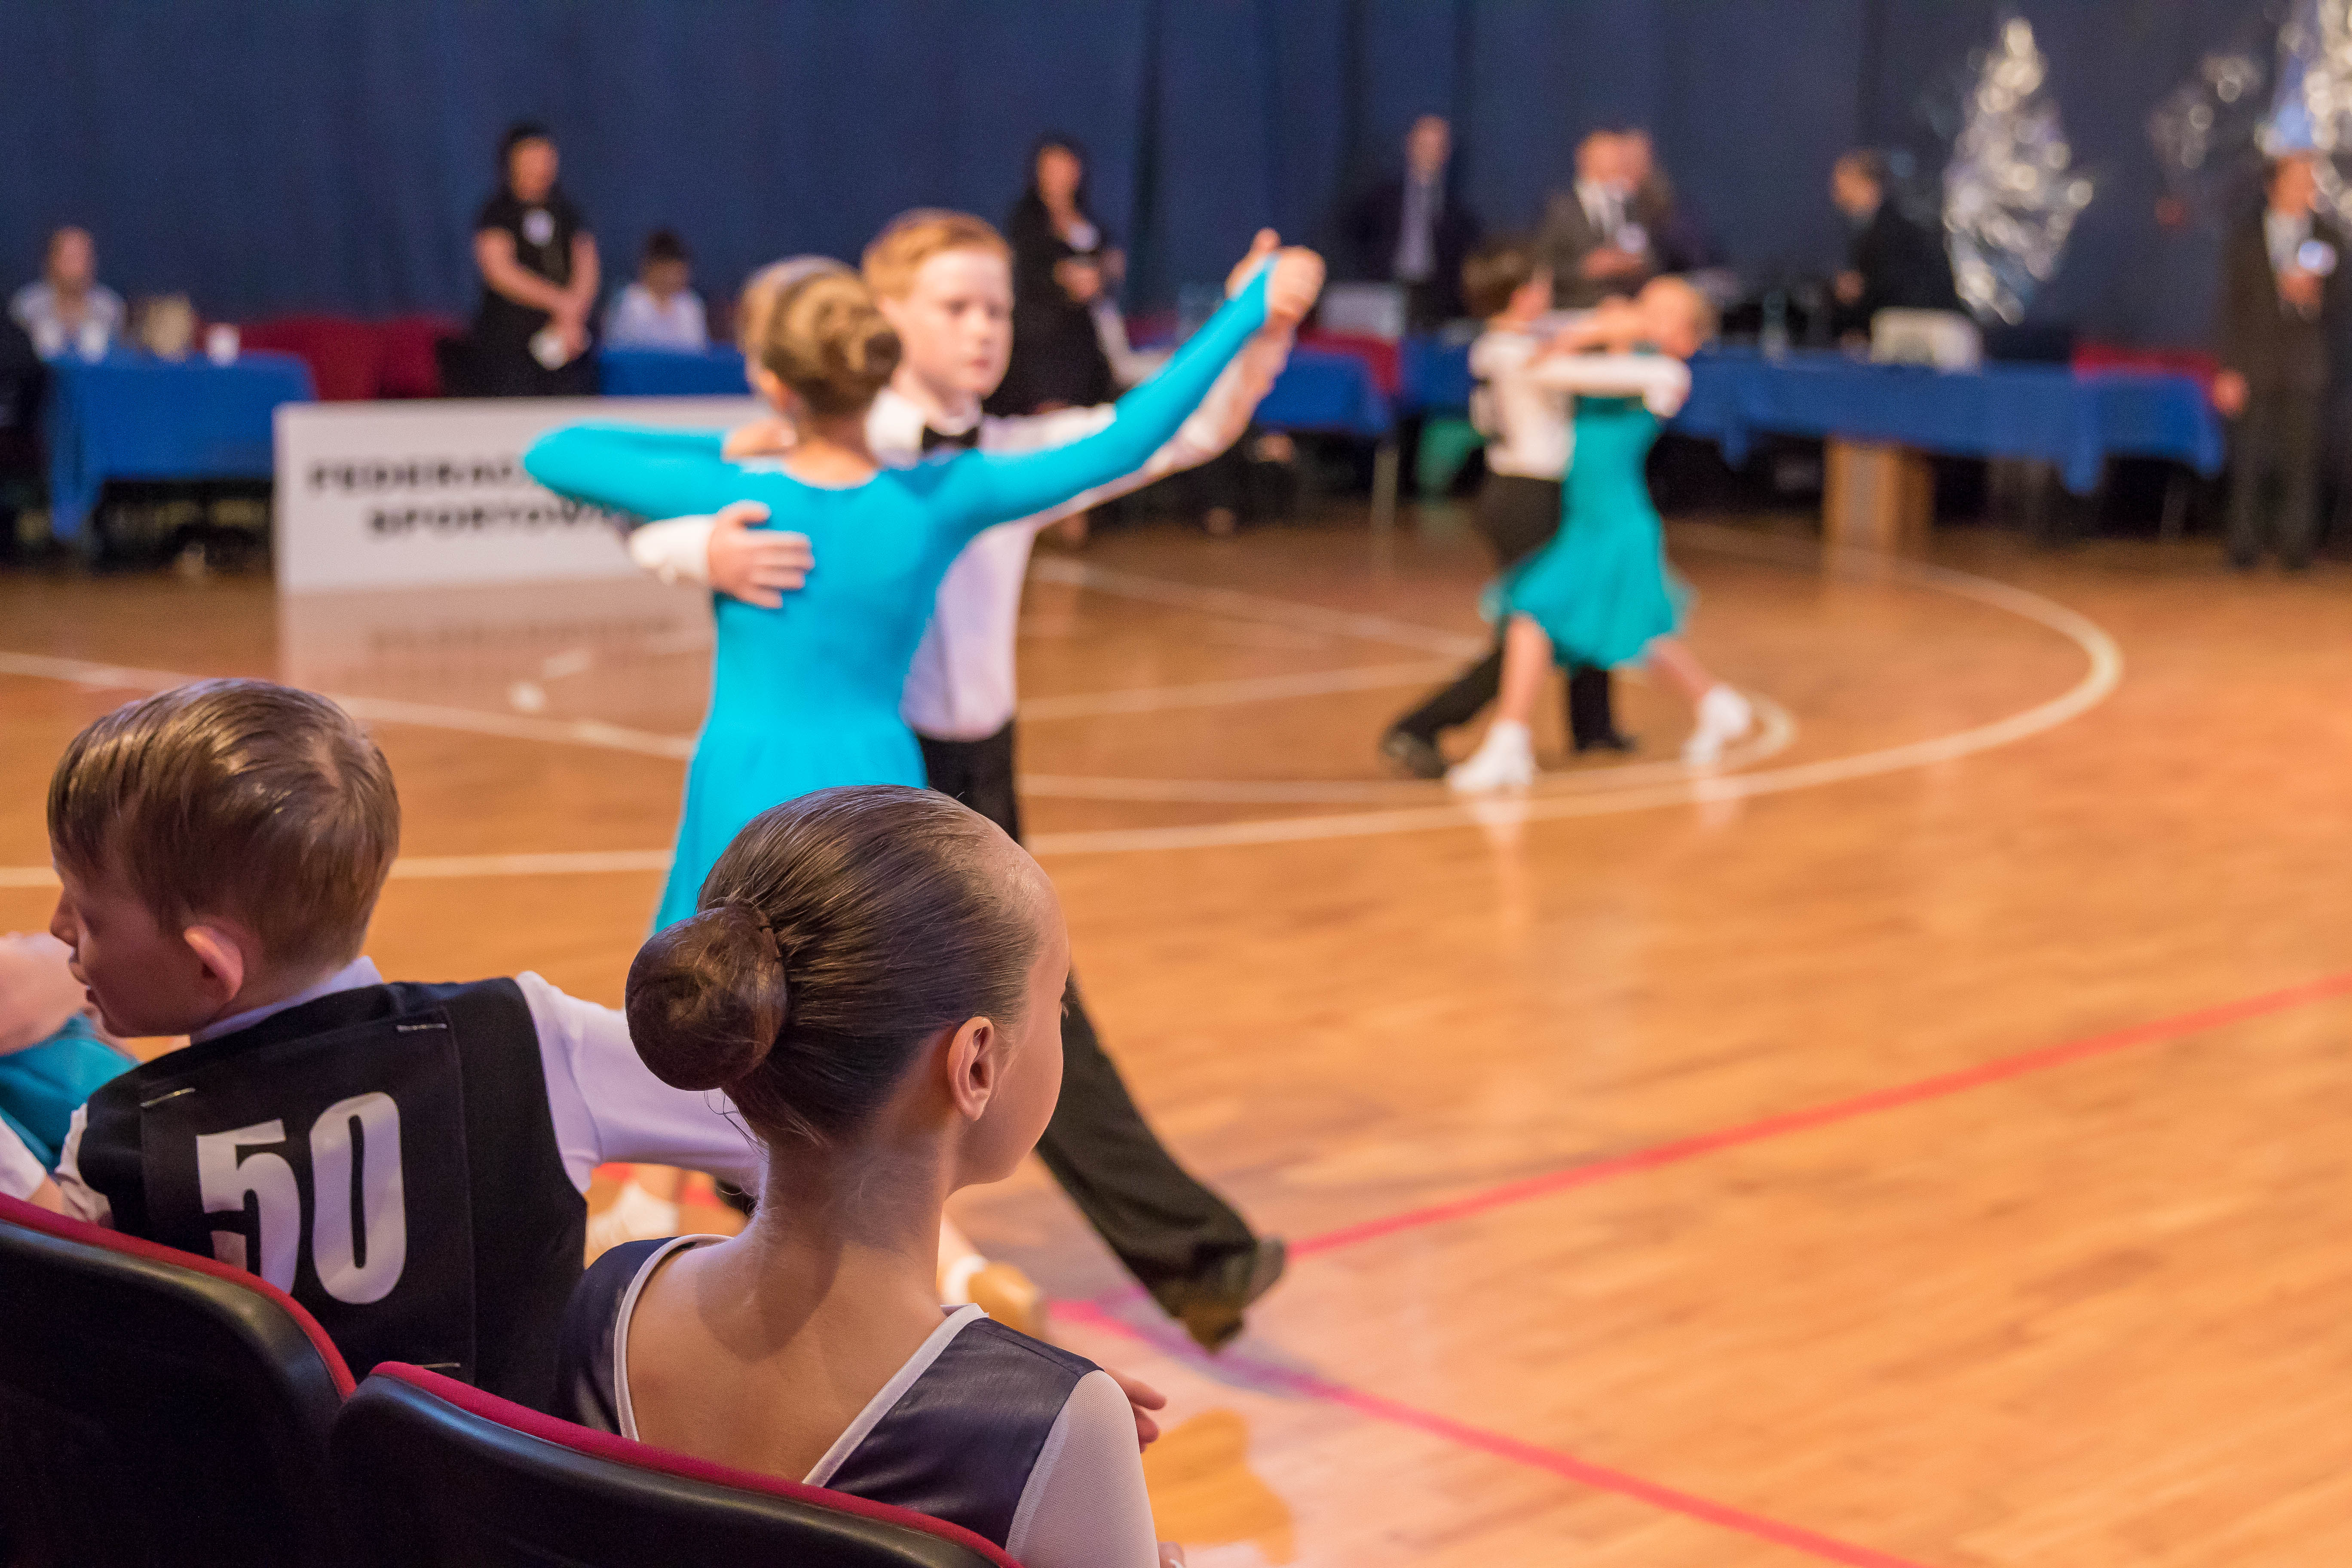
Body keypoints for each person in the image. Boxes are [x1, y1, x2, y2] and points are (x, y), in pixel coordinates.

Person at [625, 212, 1305, 1347]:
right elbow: (669, 504)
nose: (986, 329)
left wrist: (1261, 328)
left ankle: (785, 1213)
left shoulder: (1007, 456)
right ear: (881, 318)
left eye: (999, 308)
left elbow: (1175, 433)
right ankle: (1182, 1259)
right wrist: (687, 549)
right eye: (956, 307)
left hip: (982, 770)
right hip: (880, 772)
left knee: (1005, 1016)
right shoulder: (830, 447)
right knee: (977, 1021)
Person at [524, 250, 1319, 935]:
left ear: (773, 381)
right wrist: (1247, 308)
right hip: (877, 780)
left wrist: (727, 444)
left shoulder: (737, 493)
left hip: (741, 775)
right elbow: (1127, 441)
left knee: (717, 1003)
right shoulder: (939, 497)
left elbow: (556, 451)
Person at [39, 680, 768, 1410]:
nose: (58, 926)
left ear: (211, 966)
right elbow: (776, 1126)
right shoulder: (527, 1040)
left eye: (89, 913)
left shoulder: (114, 1143)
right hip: (518, 1485)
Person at [557, 786, 1169, 1568]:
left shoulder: (609, 1304)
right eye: (1058, 1002)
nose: (1063, 1021)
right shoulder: (1052, 1427)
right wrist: (1049, 1420)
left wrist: (1022, 1393)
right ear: (977, 1064)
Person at [1447, 279, 1754, 790]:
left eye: (1663, 312)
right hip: (1588, 517)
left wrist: (1598, 329)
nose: (1645, 314)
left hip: (1616, 521)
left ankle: (1509, 742)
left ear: (1687, 339)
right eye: (1645, 303)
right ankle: (1715, 703)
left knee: (1533, 611)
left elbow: (1553, 365)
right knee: (1634, 629)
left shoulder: (1663, 374)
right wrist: (1605, 331)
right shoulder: (1620, 359)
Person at [1382, 238, 1627, 779]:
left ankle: (1594, 725)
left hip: (1535, 492)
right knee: (1529, 628)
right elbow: (1579, 371)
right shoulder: (1509, 351)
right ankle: (1418, 727)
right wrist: (1619, 334)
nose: (1548, 293)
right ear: (1521, 295)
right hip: (1525, 497)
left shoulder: (1512, 343)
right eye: (1540, 284)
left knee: (1578, 603)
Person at [2212, 151, 2342, 571]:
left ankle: (2296, 549)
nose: (2308, 188)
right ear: (2275, 185)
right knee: (2249, 459)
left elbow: (2342, 299)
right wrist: (2228, 370)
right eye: (2299, 179)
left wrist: (2315, 296)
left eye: (2311, 180)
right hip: (2254, 364)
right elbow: (2230, 307)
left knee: (2301, 462)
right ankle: (2243, 546)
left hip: (2305, 364)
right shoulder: (2247, 237)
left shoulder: (2327, 237)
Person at [456, 122, 601, 397]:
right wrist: (558, 301)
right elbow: (500, 272)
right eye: (531, 156)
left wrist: (573, 312)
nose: (540, 165)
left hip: (568, 337)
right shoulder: (497, 213)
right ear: (512, 160)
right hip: (512, 344)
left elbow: (587, 263)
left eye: (547, 156)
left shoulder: (568, 212)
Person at [991, 134, 1121, 418]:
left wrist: (1103, 273)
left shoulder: (1090, 219)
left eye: (1066, 167)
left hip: (1087, 340)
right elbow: (1031, 272)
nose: (1060, 175)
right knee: (1052, 416)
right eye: (1052, 168)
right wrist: (1065, 278)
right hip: (1043, 343)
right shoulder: (1027, 220)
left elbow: (1107, 267)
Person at [1343, 114, 1482, 328]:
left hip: (1436, 300)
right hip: (1386, 289)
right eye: (1424, 144)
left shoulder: (1457, 211)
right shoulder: (1382, 198)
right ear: (1409, 145)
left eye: (1437, 146)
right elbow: (1354, 237)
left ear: (1446, 152)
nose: (1429, 152)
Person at [1829, 150, 1960, 336]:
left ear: (1868, 184)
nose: (1837, 196)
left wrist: (1861, 290)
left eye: (1843, 186)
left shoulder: (1895, 231)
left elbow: (1903, 287)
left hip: (1913, 330)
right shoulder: (1876, 229)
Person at [1537, 130, 1657, 309]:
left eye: (1618, 155)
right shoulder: (1560, 209)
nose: (1616, 162)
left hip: (1627, 305)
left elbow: (1651, 258)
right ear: (1585, 160)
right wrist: (1586, 268)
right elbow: (1545, 267)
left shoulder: (1630, 204)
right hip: (1578, 308)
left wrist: (1631, 262)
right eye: (1607, 156)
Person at [8, 227, 126, 359]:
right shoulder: (27, 306)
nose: (77, 267)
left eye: (83, 258)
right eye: (70, 258)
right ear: (51, 261)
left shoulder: (110, 308)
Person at [603, 229, 708, 351]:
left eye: (678, 270)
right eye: (666, 269)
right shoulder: (631, 303)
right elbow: (617, 351)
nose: (672, 277)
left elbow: (699, 352)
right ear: (650, 267)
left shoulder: (691, 306)